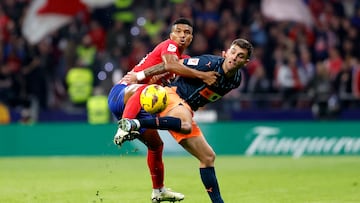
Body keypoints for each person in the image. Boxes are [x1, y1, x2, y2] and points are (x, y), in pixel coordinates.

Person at [117, 38, 253, 203]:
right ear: (225, 53)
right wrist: (141, 75)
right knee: (186, 126)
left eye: (240, 56)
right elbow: (172, 64)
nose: (234, 57)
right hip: (173, 96)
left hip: (186, 108)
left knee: (208, 157)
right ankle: (135, 123)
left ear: (245, 62)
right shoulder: (207, 63)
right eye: (233, 52)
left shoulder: (236, 80)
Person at [108, 18, 218, 203]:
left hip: (140, 107)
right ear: (171, 35)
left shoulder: (183, 61)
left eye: (187, 33)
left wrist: (221, 63)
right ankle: (124, 126)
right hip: (123, 94)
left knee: (156, 146)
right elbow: (171, 65)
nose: (182, 35)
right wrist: (203, 75)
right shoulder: (169, 46)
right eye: (179, 31)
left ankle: (158, 191)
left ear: (191, 38)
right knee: (148, 89)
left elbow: (178, 67)